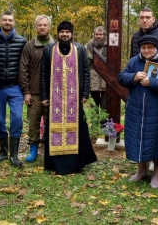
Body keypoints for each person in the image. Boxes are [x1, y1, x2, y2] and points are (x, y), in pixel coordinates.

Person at [119, 35, 158, 189]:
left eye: (150, 47)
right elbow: (121, 77)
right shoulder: (133, 62)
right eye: (144, 48)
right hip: (137, 111)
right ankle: (141, 170)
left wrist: (151, 82)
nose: (146, 50)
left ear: (156, 48)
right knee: (139, 139)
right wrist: (134, 77)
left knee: (157, 140)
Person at [40, 21, 97, 175]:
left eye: (67, 32)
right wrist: (44, 96)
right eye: (62, 32)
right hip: (55, 99)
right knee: (54, 130)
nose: (64, 34)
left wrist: (85, 93)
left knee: (78, 129)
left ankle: (76, 163)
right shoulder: (49, 49)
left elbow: (86, 71)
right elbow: (44, 74)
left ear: (72, 34)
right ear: (58, 33)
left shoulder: (79, 49)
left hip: (74, 98)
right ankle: (56, 164)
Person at [0, 11, 27, 168]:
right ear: (0, 21)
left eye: (10, 20)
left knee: (17, 119)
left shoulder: (22, 41)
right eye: (5, 20)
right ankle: (3, 151)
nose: (7, 22)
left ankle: (14, 155)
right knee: (0, 121)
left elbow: (26, 64)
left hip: (15, 87)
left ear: (14, 22)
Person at [19, 15, 55, 163]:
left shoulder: (56, 46)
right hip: (34, 93)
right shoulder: (29, 46)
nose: (42, 27)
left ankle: (49, 150)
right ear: (36, 27)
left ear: (50, 27)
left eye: (45, 25)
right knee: (33, 122)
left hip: (53, 93)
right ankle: (33, 150)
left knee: (51, 122)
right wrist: (26, 92)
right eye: (39, 25)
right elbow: (23, 70)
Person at [85, 26, 108, 121]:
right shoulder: (88, 46)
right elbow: (85, 64)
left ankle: (104, 131)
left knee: (105, 108)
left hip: (106, 82)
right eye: (96, 34)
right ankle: (94, 132)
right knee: (93, 108)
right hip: (93, 81)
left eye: (101, 34)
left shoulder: (110, 46)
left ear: (104, 36)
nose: (98, 36)